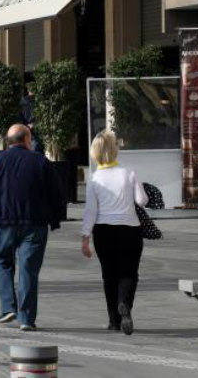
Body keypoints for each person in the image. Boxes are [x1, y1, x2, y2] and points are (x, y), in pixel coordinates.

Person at [0, 124, 65, 331]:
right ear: (26, 140)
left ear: (9, 141)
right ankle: (26, 319)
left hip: (3, 222)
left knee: (3, 262)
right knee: (29, 269)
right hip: (35, 223)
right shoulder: (40, 161)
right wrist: (56, 218)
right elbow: (57, 192)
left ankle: (8, 308)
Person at [81, 130, 148, 335]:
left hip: (104, 232)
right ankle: (124, 304)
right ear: (114, 150)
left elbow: (90, 211)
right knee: (129, 273)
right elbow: (142, 201)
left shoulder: (94, 179)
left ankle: (113, 321)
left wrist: (85, 238)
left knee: (109, 276)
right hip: (130, 230)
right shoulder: (129, 173)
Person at [20, 82, 45, 153]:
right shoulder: (39, 101)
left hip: (26, 129)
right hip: (37, 129)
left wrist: (25, 126)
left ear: (28, 90)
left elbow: (20, 116)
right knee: (37, 149)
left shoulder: (22, 102)